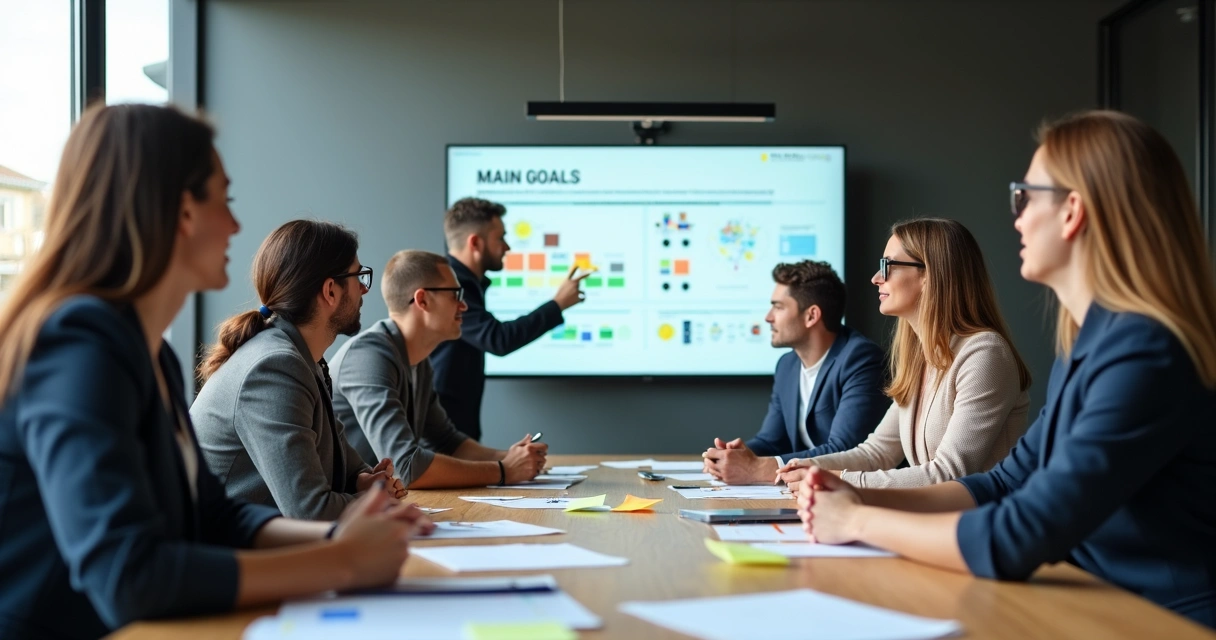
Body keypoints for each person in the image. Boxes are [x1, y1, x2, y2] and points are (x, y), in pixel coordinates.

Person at [0, 104, 431, 639]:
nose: (235, 225)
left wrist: (338, 542)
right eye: (223, 200)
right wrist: (340, 562)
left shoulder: (146, 350)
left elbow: (213, 517)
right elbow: (129, 575)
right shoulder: (78, 345)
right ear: (182, 213)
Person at [795, 111, 1216, 628]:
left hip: (1155, 619)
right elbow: (1003, 483)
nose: (1016, 218)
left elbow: (1020, 532)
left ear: (1072, 212)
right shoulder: (1089, 345)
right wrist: (854, 493)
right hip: (1090, 599)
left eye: (1025, 197)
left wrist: (858, 518)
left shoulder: (1146, 352)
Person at [779, 218, 1031, 489]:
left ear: (929, 274)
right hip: (935, 523)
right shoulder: (920, 359)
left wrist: (836, 480)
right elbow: (877, 453)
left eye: (887, 266)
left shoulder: (984, 355)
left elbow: (949, 474)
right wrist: (800, 468)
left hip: (980, 527)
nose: (876, 278)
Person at [192, 219, 407, 520]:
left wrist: (363, 481)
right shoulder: (274, 367)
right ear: (330, 291)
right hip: (230, 558)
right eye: (359, 277)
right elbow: (309, 511)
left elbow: (342, 456)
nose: (363, 289)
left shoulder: (303, 359)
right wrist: (373, 503)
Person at [332, 250, 550, 488]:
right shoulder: (368, 356)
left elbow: (447, 442)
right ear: (422, 300)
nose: (464, 306)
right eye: (456, 295)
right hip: (340, 513)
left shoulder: (418, 360)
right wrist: (504, 470)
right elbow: (407, 467)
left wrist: (510, 458)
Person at [701, 261, 887, 485]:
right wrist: (737, 456)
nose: (768, 317)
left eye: (778, 307)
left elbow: (845, 449)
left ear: (811, 316)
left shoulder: (860, 358)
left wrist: (757, 468)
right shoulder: (787, 365)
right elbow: (772, 441)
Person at [430, 197, 589, 440]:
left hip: (454, 423)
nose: (507, 247)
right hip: (443, 427)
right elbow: (498, 339)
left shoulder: (463, 283)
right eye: (500, 238)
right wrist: (557, 305)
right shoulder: (450, 285)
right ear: (475, 242)